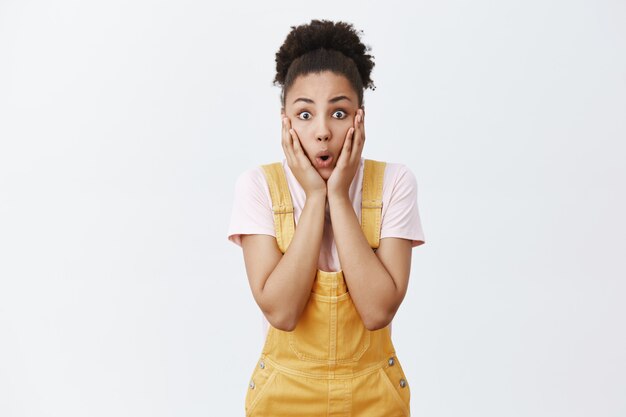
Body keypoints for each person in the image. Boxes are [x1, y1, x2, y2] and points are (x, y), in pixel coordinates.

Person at [227, 19, 425, 417]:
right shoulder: (259, 187)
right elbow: (281, 312)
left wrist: (339, 193)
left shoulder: (392, 183)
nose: (321, 132)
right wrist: (316, 198)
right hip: (283, 398)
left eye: (338, 113)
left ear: (360, 118)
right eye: (304, 115)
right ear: (284, 120)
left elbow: (377, 310)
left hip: (375, 399)